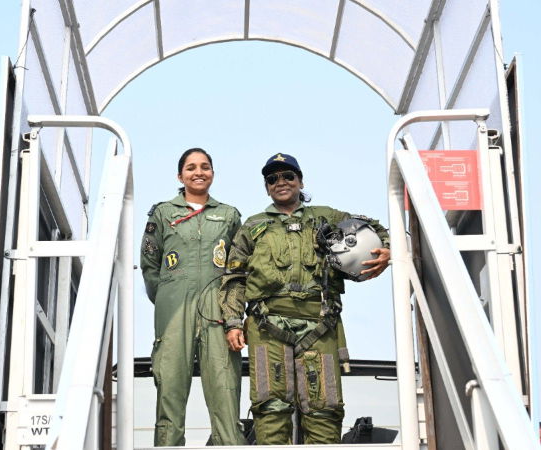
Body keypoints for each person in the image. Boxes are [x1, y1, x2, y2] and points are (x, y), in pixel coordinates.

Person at [218, 153, 391, 444]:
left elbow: (373, 226)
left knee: (324, 407)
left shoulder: (327, 218)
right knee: (269, 406)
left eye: (288, 176)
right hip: (266, 325)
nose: (281, 182)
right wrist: (234, 322)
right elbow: (235, 277)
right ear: (266, 187)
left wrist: (387, 248)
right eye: (272, 179)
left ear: (300, 181)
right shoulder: (253, 226)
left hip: (319, 324)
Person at [140, 148, 247, 446]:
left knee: (226, 392)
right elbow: (150, 264)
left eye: (205, 166)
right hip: (174, 311)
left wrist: (233, 314)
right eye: (191, 167)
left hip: (219, 311)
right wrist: (167, 299)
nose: (198, 172)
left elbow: (238, 268)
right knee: (170, 392)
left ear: (213, 173)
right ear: (180, 175)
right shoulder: (163, 213)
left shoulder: (229, 215)